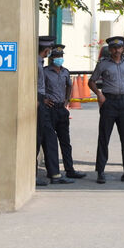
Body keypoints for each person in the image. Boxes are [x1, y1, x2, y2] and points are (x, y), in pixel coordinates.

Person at [90, 35, 124, 184]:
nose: (116, 50)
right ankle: (100, 172)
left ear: (123, 49)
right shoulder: (103, 64)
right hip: (109, 103)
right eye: (113, 48)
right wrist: (99, 94)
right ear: (110, 50)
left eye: (119, 47)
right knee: (104, 138)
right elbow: (91, 81)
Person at [44, 45, 86, 180]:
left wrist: (67, 100)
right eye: (56, 57)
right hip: (49, 109)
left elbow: (69, 85)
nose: (59, 59)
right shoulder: (45, 72)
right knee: (50, 143)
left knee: (65, 142)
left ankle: (70, 169)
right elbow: (38, 87)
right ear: (51, 58)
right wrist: (44, 99)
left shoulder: (65, 72)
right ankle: (53, 172)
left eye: (61, 57)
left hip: (61, 109)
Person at [36, 35, 72, 186]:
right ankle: (38, 175)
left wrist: (67, 101)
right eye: (51, 51)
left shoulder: (42, 63)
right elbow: (35, 86)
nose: (54, 55)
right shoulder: (40, 66)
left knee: (52, 140)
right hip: (42, 106)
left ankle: (55, 174)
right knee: (38, 141)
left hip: (53, 107)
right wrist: (41, 99)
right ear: (47, 50)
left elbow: (69, 86)